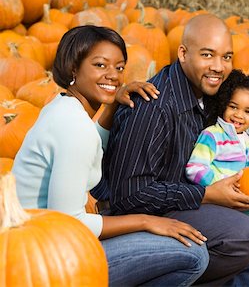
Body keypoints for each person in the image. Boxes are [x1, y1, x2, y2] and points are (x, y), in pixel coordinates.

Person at [92, 14, 249, 286]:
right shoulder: (154, 108)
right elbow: (130, 195)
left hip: (189, 190)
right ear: (183, 53)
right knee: (244, 236)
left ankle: (232, 264)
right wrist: (208, 195)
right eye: (208, 55)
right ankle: (179, 270)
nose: (219, 67)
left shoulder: (212, 94)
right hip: (148, 214)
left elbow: (230, 138)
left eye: (226, 57)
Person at [12, 25, 209, 286]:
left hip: (30, 245)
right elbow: (71, 222)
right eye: (100, 65)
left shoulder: (61, 107)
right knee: (193, 254)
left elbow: (90, 148)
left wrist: (111, 105)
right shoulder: (74, 127)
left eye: (119, 67)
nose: (113, 76)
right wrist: (146, 221)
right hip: (46, 261)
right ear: (73, 68)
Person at [186, 69, 249, 218]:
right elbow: (194, 169)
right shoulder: (212, 136)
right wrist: (223, 183)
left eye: (248, 111)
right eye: (233, 107)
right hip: (221, 205)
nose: (238, 115)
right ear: (224, 105)